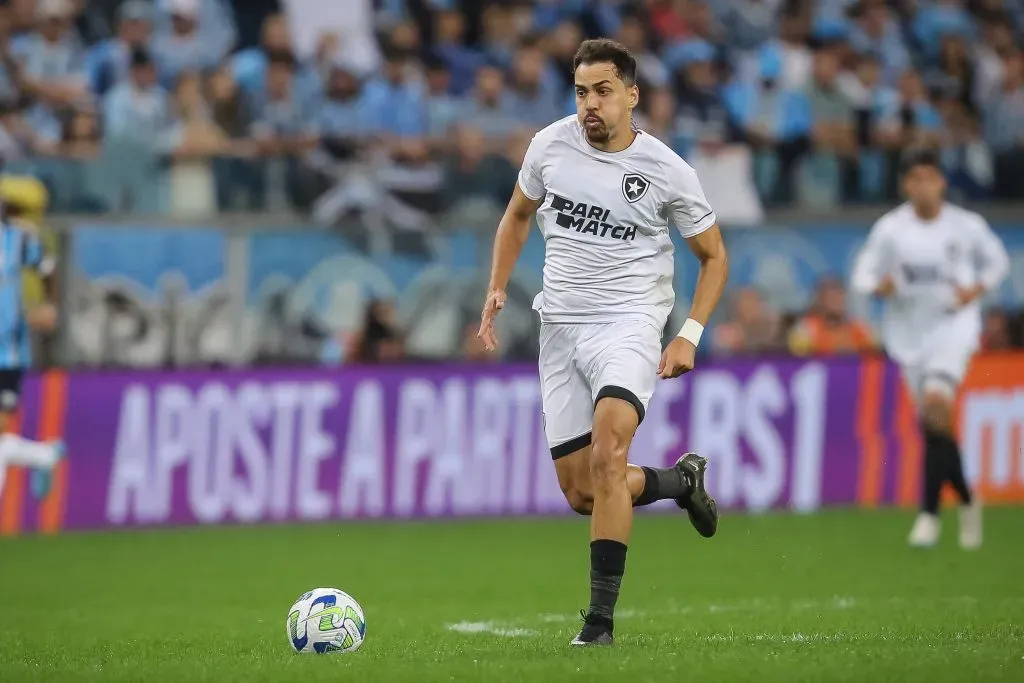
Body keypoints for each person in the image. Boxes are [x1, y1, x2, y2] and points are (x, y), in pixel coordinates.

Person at [477, 39, 729, 647]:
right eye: (582, 91)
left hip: (630, 322)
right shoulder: (549, 145)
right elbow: (516, 216)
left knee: (610, 452)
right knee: (582, 491)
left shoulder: (667, 170)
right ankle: (677, 483)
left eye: (604, 91)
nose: (590, 104)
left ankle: (599, 624)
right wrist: (496, 288)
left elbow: (714, 256)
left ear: (632, 95)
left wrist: (688, 333)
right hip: (560, 326)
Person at [850, 149, 1009, 550]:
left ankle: (928, 516)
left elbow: (998, 262)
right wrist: (878, 287)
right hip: (909, 336)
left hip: (954, 327)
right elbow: (863, 274)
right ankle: (969, 499)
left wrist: (976, 289)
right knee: (934, 426)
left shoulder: (965, 225)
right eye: (915, 179)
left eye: (930, 178)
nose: (924, 186)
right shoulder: (891, 229)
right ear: (907, 185)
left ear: (942, 182)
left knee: (937, 407)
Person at [0, 192, 65, 503]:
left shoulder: (17, 240)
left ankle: (43, 456)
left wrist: (49, 306)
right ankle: (42, 455)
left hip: (7, 353)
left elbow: (48, 268)